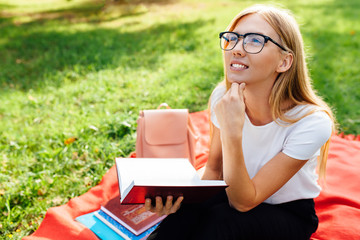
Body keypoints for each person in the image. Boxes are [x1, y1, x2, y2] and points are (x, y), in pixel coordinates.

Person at [145, 4, 335, 240]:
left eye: (255, 40)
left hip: (287, 212)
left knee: (222, 222)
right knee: (183, 218)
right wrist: (178, 199)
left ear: (284, 62)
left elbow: (243, 204)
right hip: (233, 192)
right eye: (233, 38)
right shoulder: (221, 97)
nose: (236, 49)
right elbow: (214, 170)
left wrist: (233, 130)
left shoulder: (310, 122)